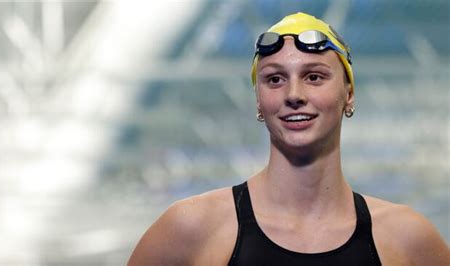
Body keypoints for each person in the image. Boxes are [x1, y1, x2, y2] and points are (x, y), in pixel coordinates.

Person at [127, 12, 449, 265]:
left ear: (349, 93)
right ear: (258, 101)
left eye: (314, 76)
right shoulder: (192, 229)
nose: (294, 95)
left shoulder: (408, 239)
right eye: (275, 79)